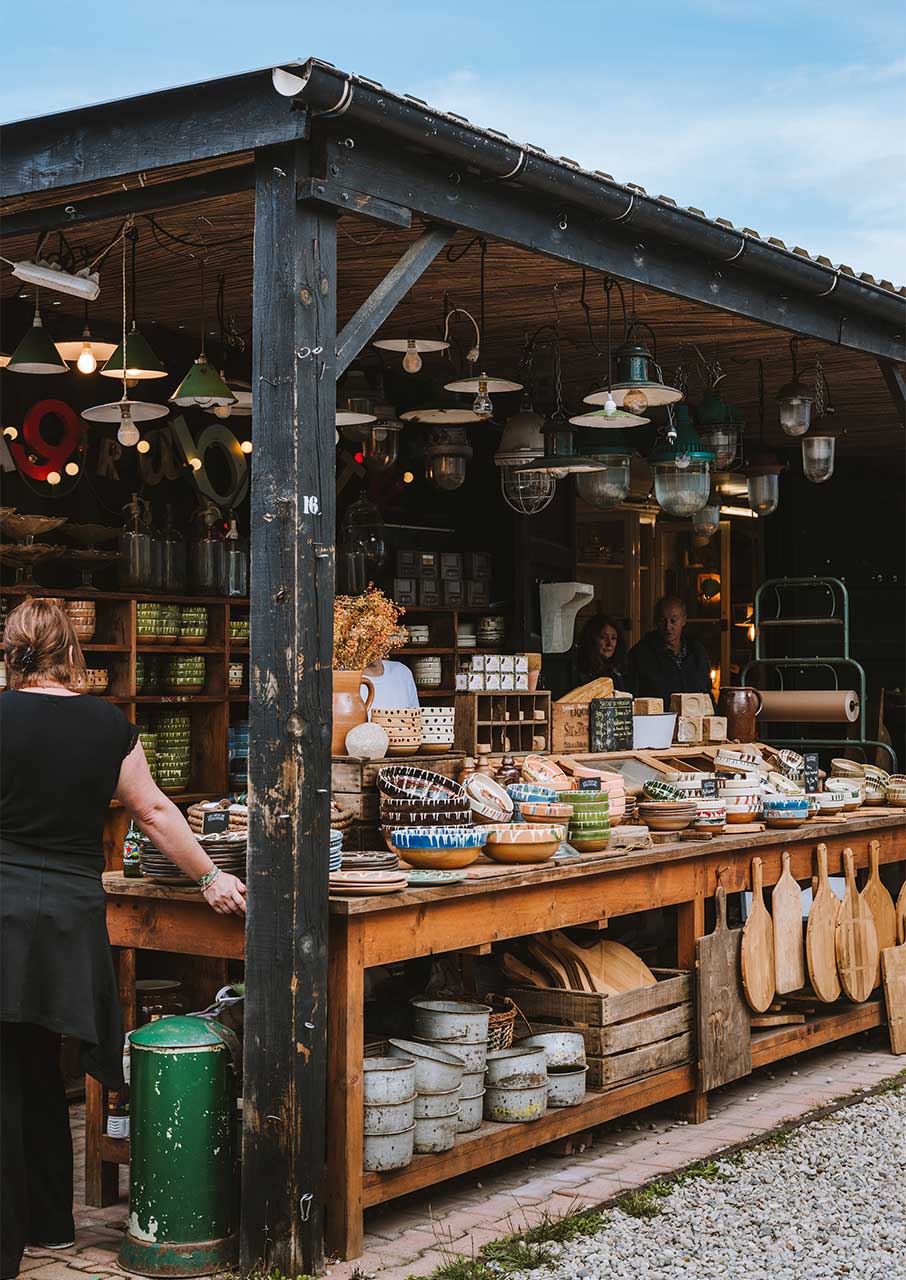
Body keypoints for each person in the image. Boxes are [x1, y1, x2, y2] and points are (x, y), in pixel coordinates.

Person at [0, 600, 246, 1280]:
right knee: (40, 1061)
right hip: (70, 916)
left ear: (10, 652)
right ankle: (50, 1224)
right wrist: (209, 878)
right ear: (70, 651)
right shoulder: (108, 725)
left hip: (3, 908)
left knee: (4, 1071)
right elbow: (155, 810)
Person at [627, 594, 713, 706]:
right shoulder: (640, 654)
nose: (668, 627)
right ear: (656, 622)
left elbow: (707, 692)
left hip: (694, 720)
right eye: (663, 621)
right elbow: (631, 697)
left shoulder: (697, 651)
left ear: (684, 620)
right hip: (657, 721)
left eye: (673, 620)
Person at [575, 613, 628, 691]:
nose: (609, 644)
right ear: (591, 639)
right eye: (603, 637)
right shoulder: (579, 671)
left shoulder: (616, 672)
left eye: (613, 638)